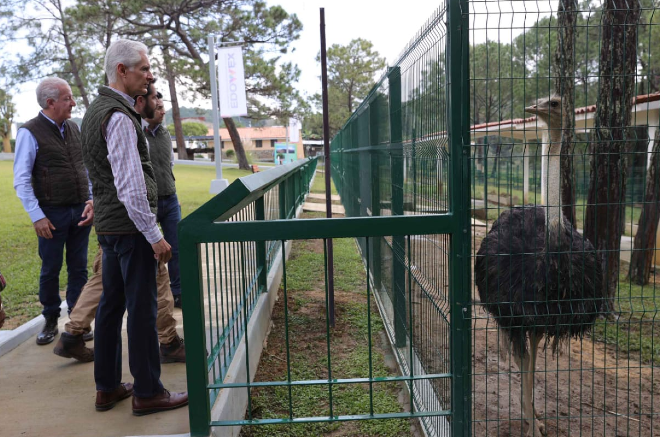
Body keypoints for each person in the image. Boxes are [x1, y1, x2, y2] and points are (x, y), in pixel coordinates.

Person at [81, 39, 187, 415]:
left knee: (110, 307)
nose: (150, 74)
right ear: (121, 71)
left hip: (111, 229)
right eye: (143, 68)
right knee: (141, 312)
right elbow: (130, 185)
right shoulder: (121, 117)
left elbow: (101, 175)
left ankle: (107, 387)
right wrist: (154, 235)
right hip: (130, 230)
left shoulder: (95, 111)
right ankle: (148, 391)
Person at [53, 82, 185, 364]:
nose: (159, 106)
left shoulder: (112, 118)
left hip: (121, 216)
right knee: (149, 283)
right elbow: (124, 180)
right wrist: (152, 232)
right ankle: (167, 345)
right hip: (129, 219)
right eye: (154, 100)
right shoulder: (122, 121)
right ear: (140, 100)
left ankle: (75, 335)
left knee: (105, 283)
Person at [13, 77, 94, 346]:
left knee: (79, 268)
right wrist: (37, 216)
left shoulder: (73, 128)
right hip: (51, 213)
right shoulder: (29, 132)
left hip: (80, 209)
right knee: (50, 269)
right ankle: (50, 319)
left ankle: (77, 320)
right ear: (51, 102)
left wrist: (91, 200)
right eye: (67, 98)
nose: (73, 102)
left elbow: (85, 168)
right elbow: (21, 179)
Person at [144, 88, 182, 309]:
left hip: (170, 199)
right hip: (149, 202)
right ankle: (152, 294)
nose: (162, 111)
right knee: (151, 250)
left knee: (175, 247)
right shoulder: (139, 134)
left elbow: (169, 164)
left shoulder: (165, 134)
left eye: (163, 107)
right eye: (158, 108)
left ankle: (177, 292)